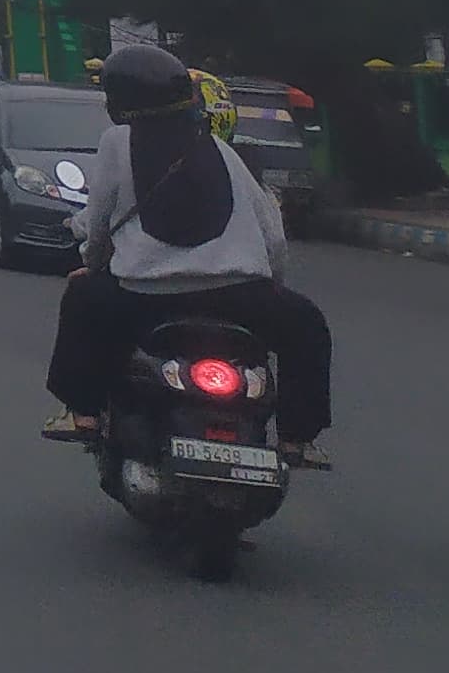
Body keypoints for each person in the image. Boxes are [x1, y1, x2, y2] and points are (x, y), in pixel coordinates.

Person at [44, 42, 334, 462]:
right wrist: (272, 290)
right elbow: (274, 237)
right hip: (239, 295)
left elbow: (101, 220)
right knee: (308, 326)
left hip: (146, 295)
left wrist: (91, 265)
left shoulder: (116, 142)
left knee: (83, 300)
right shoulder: (222, 151)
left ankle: (82, 415)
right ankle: (296, 440)